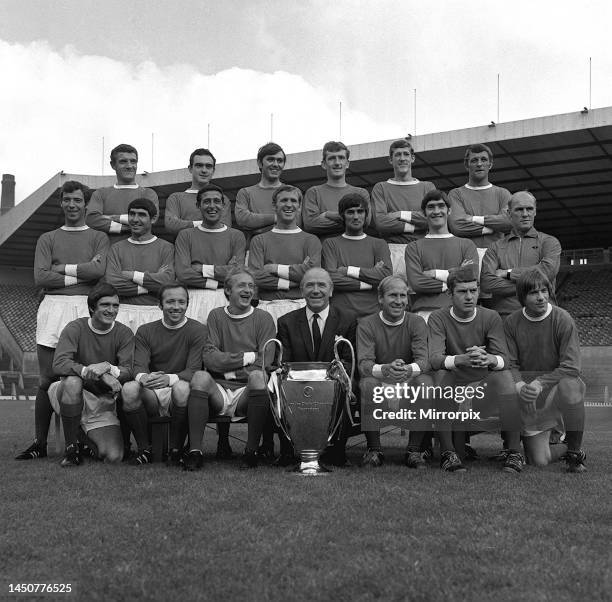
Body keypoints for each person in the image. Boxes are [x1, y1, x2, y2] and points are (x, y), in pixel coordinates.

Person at [16, 181, 109, 461]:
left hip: (84, 307)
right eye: (67, 199)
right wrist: (81, 275)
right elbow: (41, 277)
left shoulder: (98, 237)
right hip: (53, 308)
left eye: (77, 200)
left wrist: (61, 271)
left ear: (85, 204)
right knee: (47, 378)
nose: (72, 205)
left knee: (83, 374)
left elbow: (99, 272)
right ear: (61, 203)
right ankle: (39, 443)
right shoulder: (48, 238)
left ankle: (80, 440)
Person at [428, 268, 523, 473]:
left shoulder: (491, 316)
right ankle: (448, 453)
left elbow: (504, 360)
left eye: (473, 290)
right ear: (449, 294)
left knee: (505, 376)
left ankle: (514, 452)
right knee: (442, 374)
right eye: (462, 292)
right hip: (452, 387)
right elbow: (435, 359)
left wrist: (488, 358)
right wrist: (463, 359)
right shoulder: (438, 317)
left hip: (482, 388)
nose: (469, 296)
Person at [190, 268, 276, 469]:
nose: (248, 290)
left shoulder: (263, 318)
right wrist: (248, 356)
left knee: (258, 376)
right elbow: (210, 358)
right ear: (228, 291)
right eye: (242, 285)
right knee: (201, 377)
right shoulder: (216, 316)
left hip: (247, 391)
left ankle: (251, 452)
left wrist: (227, 367)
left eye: (251, 286)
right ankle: (195, 452)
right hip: (219, 390)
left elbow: (266, 361)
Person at [504, 269, 586, 472]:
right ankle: (566, 448)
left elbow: (571, 367)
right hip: (529, 394)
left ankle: (575, 454)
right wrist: (521, 386)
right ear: (522, 297)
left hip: (555, 389)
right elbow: (510, 364)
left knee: (570, 386)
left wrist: (540, 383)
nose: (541, 298)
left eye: (544, 291)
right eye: (534, 293)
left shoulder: (562, 319)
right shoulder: (512, 322)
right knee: (539, 460)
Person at [276, 267, 357, 467]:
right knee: (277, 387)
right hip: (299, 385)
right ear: (302, 291)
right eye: (309, 285)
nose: (316, 290)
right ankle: (290, 450)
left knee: (348, 386)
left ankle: (337, 451)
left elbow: (350, 358)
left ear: (331, 290)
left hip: (334, 385)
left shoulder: (347, 319)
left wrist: (336, 374)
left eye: (321, 285)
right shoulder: (286, 322)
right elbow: (283, 362)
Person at [121, 283, 207, 466]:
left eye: (181, 302)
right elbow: (138, 367)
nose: (176, 306)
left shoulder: (198, 330)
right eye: (170, 302)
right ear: (160, 305)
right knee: (129, 389)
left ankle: (175, 449)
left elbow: (194, 370)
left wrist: (169, 378)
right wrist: (145, 378)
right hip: (152, 389)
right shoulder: (145, 330)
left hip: (180, 387)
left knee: (182, 388)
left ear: (187, 304)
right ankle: (146, 449)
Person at [48, 283, 133, 465]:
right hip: (70, 392)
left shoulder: (124, 333)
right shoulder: (75, 328)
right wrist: (91, 372)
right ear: (92, 308)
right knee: (73, 382)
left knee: (114, 456)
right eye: (105, 305)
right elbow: (59, 364)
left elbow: (128, 370)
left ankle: (83, 439)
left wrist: (108, 367)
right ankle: (71, 450)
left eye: (115, 305)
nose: (111, 310)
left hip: (102, 399)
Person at [357, 275, 432, 468]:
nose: (399, 301)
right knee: (367, 383)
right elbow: (364, 364)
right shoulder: (366, 324)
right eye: (393, 295)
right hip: (380, 379)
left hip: (409, 379)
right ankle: (374, 450)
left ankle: (414, 452)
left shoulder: (416, 322)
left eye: (403, 295)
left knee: (425, 383)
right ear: (380, 298)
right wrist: (386, 370)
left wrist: (406, 370)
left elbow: (424, 361)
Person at [481, 191, 561, 318]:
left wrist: (507, 273)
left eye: (529, 209)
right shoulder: (495, 247)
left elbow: (547, 271)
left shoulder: (549, 242)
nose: (525, 214)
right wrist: (534, 286)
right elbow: (487, 283)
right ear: (509, 213)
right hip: (505, 317)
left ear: (535, 211)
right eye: (519, 209)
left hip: (543, 316)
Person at [248, 185, 321, 325]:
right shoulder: (259, 240)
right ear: (274, 206)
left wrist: (275, 269)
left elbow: (313, 275)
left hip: (302, 306)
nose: (289, 205)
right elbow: (256, 277)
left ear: (299, 207)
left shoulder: (311, 240)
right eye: (284, 200)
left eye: (293, 201)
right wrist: (295, 280)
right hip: (268, 307)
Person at [174, 183, 246, 324]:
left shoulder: (236, 236)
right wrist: (217, 279)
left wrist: (202, 269)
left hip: (225, 298)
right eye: (206, 201)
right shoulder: (185, 235)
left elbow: (236, 274)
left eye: (217, 201)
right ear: (198, 205)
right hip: (193, 298)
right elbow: (183, 274)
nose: (212, 206)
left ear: (224, 206)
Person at [405, 189, 478, 322]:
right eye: (431, 207)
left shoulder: (467, 245)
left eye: (441, 206)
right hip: (424, 314)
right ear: (423, 213)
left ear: (449, 211)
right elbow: (416, 283)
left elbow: (471, 276)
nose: (437, 211)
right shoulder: (413, 247)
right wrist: (455, 277)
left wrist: (434, 273)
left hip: (459, 313)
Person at [105, 198, 175, 333]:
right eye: (132, 214)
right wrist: (152, 285)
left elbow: (167, 283)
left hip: (155, 312)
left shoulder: (167, 247)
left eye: (141, 215)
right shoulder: (116, 248)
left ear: (153, 219)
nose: (135, 219)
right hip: (123, 312)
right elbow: (112, 284)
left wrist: (133, 275)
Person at [322, 192, 392, 321]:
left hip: (373, 314)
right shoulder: (330, 243)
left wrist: (348, 271)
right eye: (350, 212)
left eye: (360, 212)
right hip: (341, 314)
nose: (356, 217)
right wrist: (370, 283)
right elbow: (331, 279)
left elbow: (386, 276)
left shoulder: (379, 244)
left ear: (366, 215)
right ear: (342, 215)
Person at [371, 138, 435, 276]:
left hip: (422, 249)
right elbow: (381, 223)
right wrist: (416, 226)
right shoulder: (381, 187)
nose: (402, 158)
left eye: (406, 154)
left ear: (412, 158)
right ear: (390, 160)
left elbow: (432, 219)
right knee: (395, 294)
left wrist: (399, 214)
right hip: (392, 251)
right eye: (397, 155)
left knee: (421, 294)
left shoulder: (427, 187)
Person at [448, 143, 512, 277]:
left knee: (493, 296)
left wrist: (474, 219)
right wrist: (494, 227)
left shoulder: (503, 194)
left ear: (490, 164)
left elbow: (509, 222)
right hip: (464, 258)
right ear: (467, 165)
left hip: (497, 257)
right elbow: (457, 226)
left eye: (483, 159)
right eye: (474, 160)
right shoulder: (456, 194)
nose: (479, 164)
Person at [86, 144, 158, 244]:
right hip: (109, 254)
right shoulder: (100, 194)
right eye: (123, 161)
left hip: (142, 253)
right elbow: (91, 220)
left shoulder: (148, 193)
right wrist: (123, 228)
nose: (129, 166)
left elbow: (150, 220)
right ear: (113, 165)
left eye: (133, 161)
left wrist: (113, 217)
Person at [302, 141, 370, 240]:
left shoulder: (361, 193)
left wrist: (327, 214)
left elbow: (365, 222)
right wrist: (351, 221)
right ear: (324, 164)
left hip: (354, 251)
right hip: (324, 253)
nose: (337, 163)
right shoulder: (313, 192)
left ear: (347, 163)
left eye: (341, 158)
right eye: (332, 158)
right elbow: (310, 225)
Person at [235, 142, 301, 244]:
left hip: (289, 249)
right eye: (270, 159)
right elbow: (243, 220)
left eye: (280, 161)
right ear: (260, 163)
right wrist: (278, 217)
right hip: (257, 252)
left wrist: (258, 226)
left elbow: (298, 222)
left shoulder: (294, 192)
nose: (275, 164)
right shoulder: (245, 193)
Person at [164, 148, 231, 237]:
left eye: (208, 166)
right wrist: (206, 223)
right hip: (185, 250)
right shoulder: (175, 198)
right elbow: (171, 225)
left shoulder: (223, 199)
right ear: (190, 169)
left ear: (213, 170)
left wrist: (187, 223)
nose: (204, 170)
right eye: (199, 165)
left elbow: (224, 228)